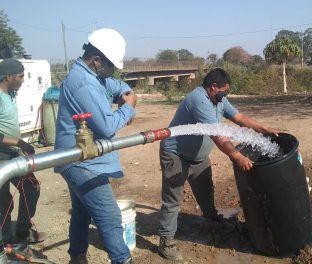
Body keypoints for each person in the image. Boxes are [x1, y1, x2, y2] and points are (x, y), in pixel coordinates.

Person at [158, 68, 278, 261]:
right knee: (173, 200)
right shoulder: (199, 100)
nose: (225, 94)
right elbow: (218, 136)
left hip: (198, 157)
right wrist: (237, 157)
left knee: (206, 191)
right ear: (213, 87)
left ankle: (211, 219)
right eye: (224, 90)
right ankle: (166, 242)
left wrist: (263, 128)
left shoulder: (219, 99)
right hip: (176, 154)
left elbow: (239, 118)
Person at [54, 28, 137, 264]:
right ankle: (122, 260)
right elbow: (107, 126)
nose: (112, 70)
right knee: (110, 217)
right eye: (111, 65)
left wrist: (125, 94)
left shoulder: (94, 77)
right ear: (97, 60)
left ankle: (77, 258)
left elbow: (117, 85)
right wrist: (128, 106)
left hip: (82, 158)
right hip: (82, 161)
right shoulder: (83, 84)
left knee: (82, 212)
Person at [0, 58, 46, 245]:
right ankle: (7, 243)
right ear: (8, 76)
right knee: (4, 203)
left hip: (14, 155)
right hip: (1, 157)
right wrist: (20, 142)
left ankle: (21, 231)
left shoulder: (10, 94)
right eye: (20, 76)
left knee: (31, 188)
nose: (23, 80)